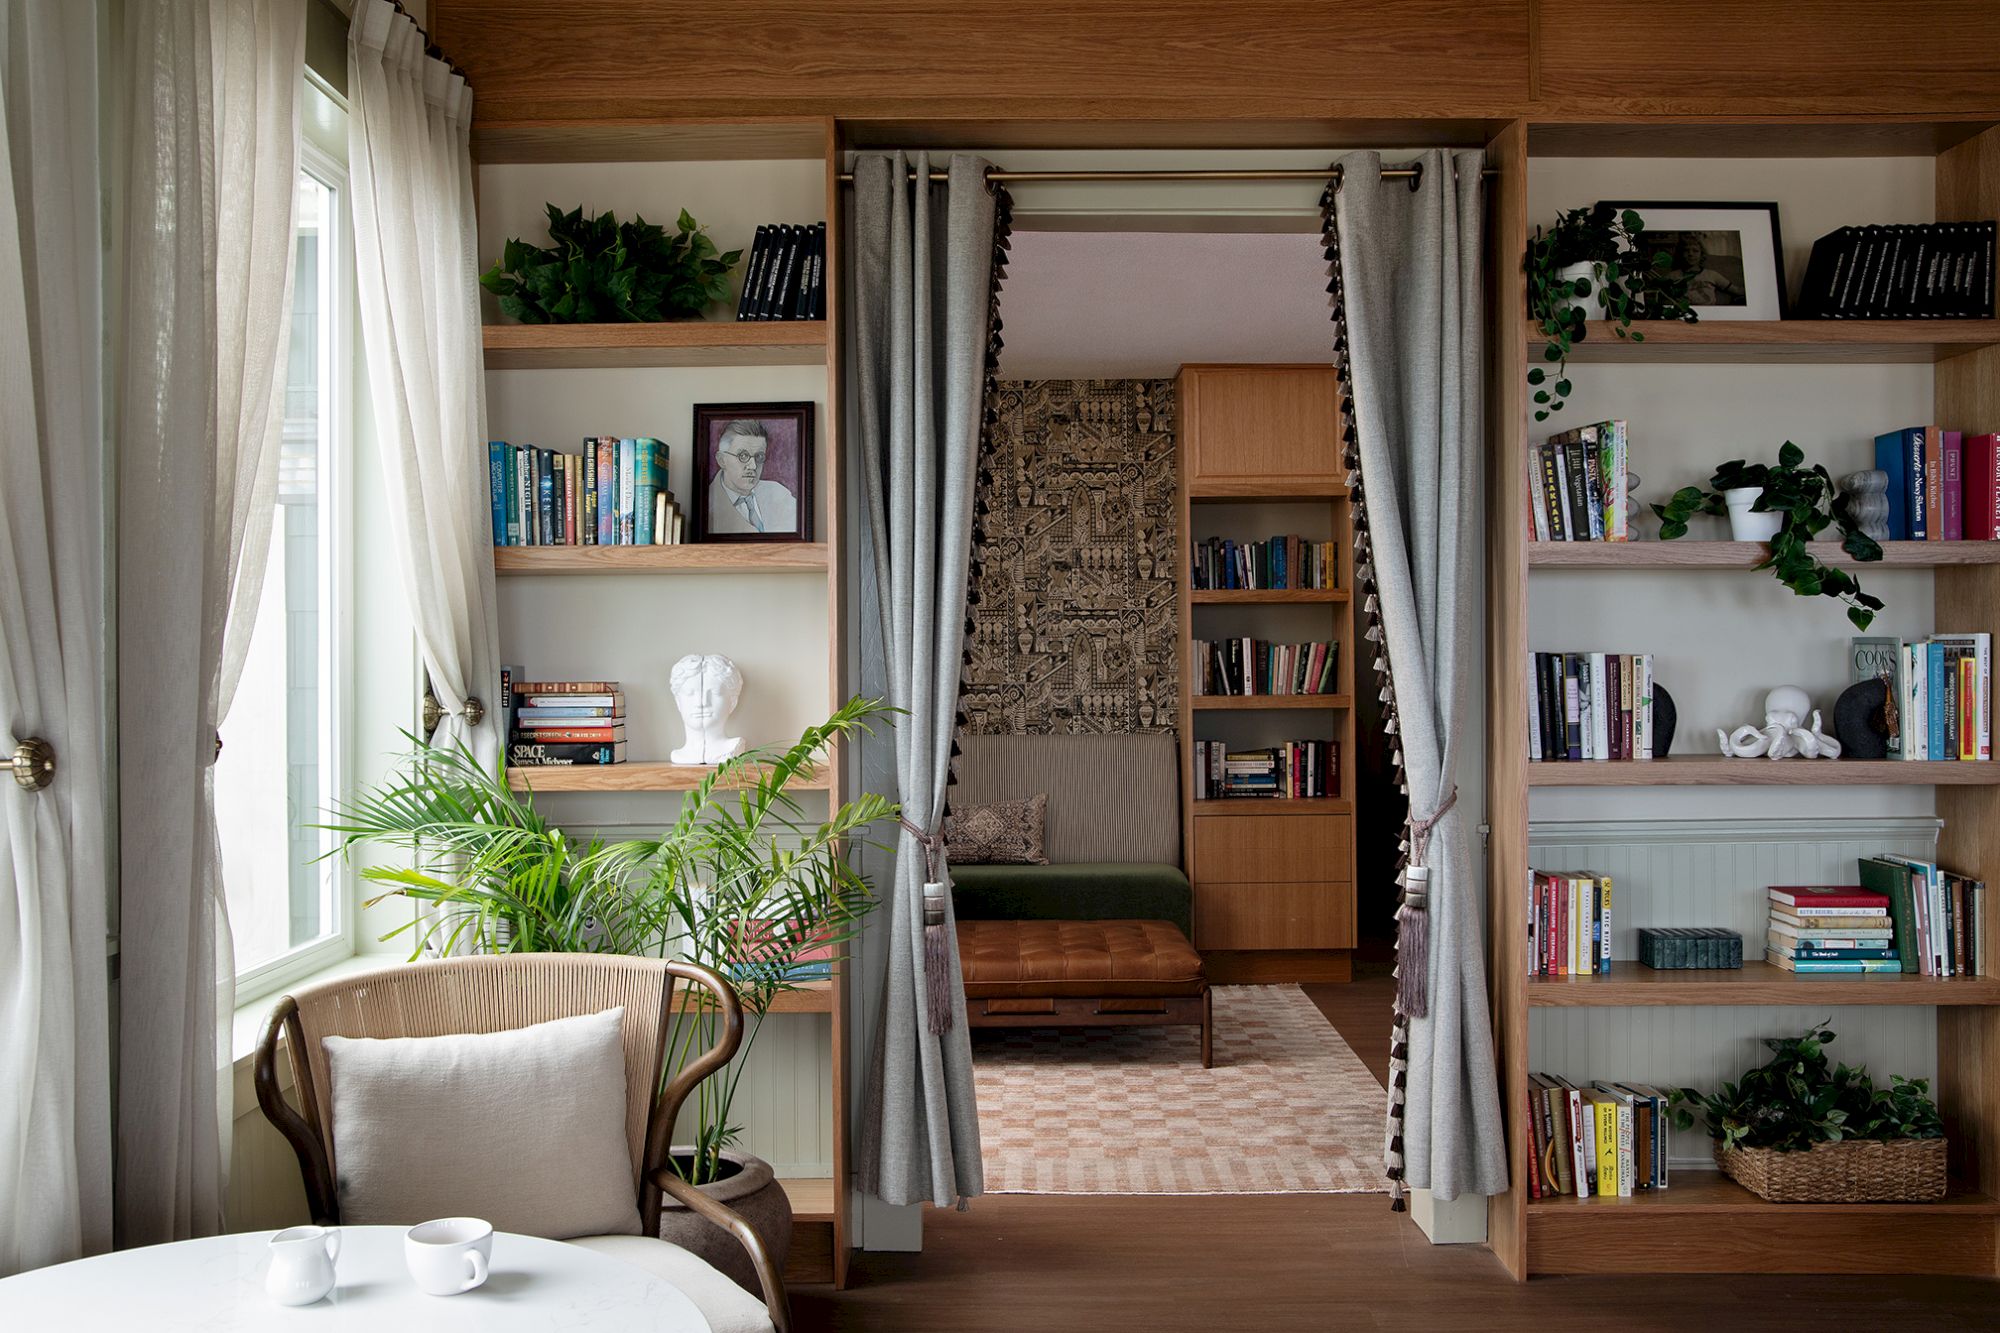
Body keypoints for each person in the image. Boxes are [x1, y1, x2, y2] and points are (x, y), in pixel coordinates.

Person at [706, 419, 798, 535]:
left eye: (759, 456)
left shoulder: (779, 494)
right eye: (743, 456)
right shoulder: (706, 505)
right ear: (722, 460)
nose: (753, 466)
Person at [1668, 232, 1745, 307]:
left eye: (1695, 251)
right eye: (1686, 251)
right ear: (1681, 254)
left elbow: (1736, 290)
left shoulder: (1712, 275)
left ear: (1702, 255)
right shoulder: (1673, 276)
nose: (1690, 254)